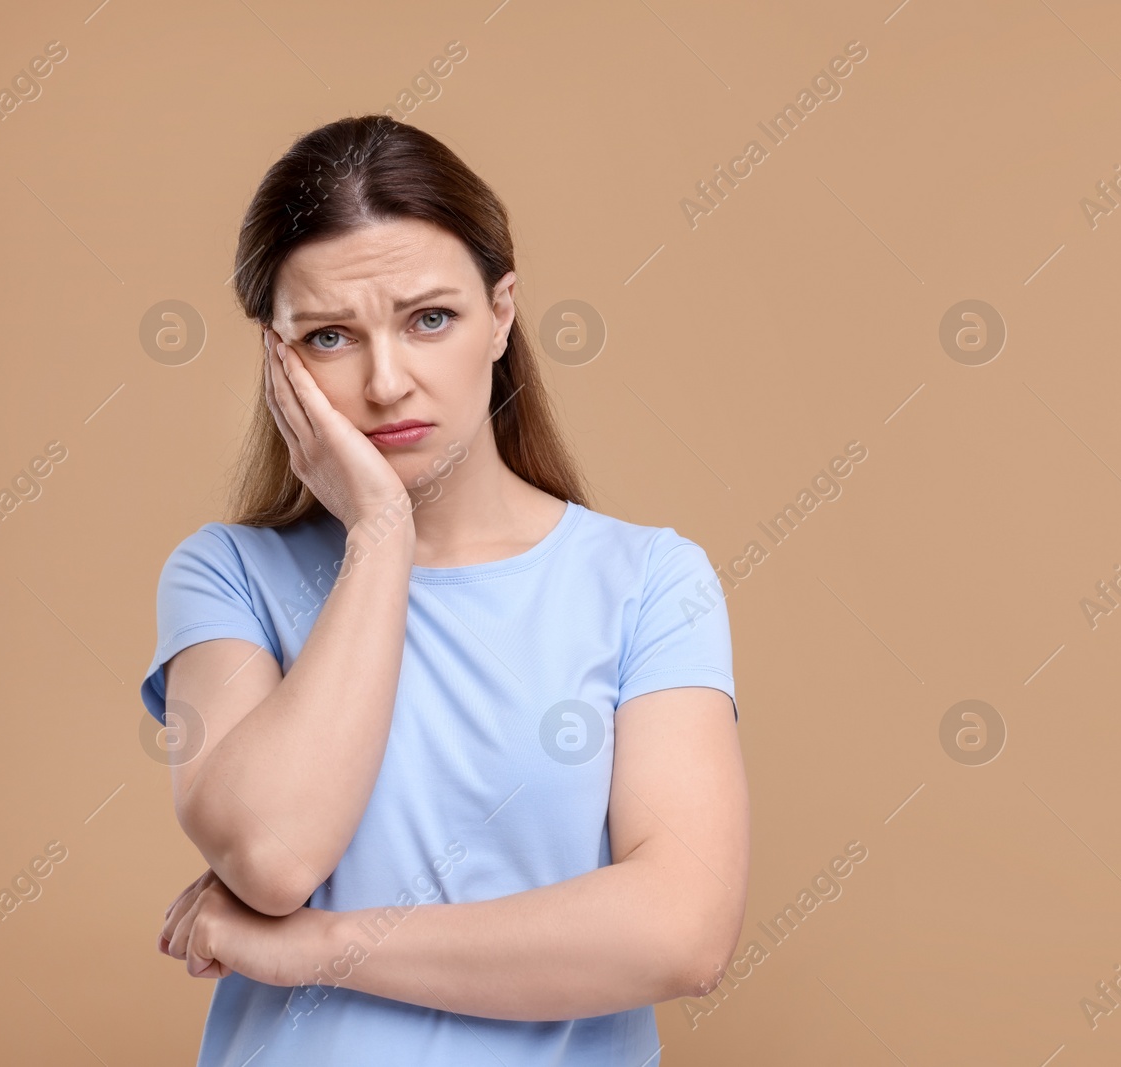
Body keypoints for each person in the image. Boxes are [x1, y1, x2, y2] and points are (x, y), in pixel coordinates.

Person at [139, 114, 748, 1066]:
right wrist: (381, 535)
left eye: (431, 318)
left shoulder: (648, 580)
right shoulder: (226, 575)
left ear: (502, 312)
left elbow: (682, 930)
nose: (387, 382)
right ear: (277, 359)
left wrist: (322, 948)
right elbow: (270, 855)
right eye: (331, 336)